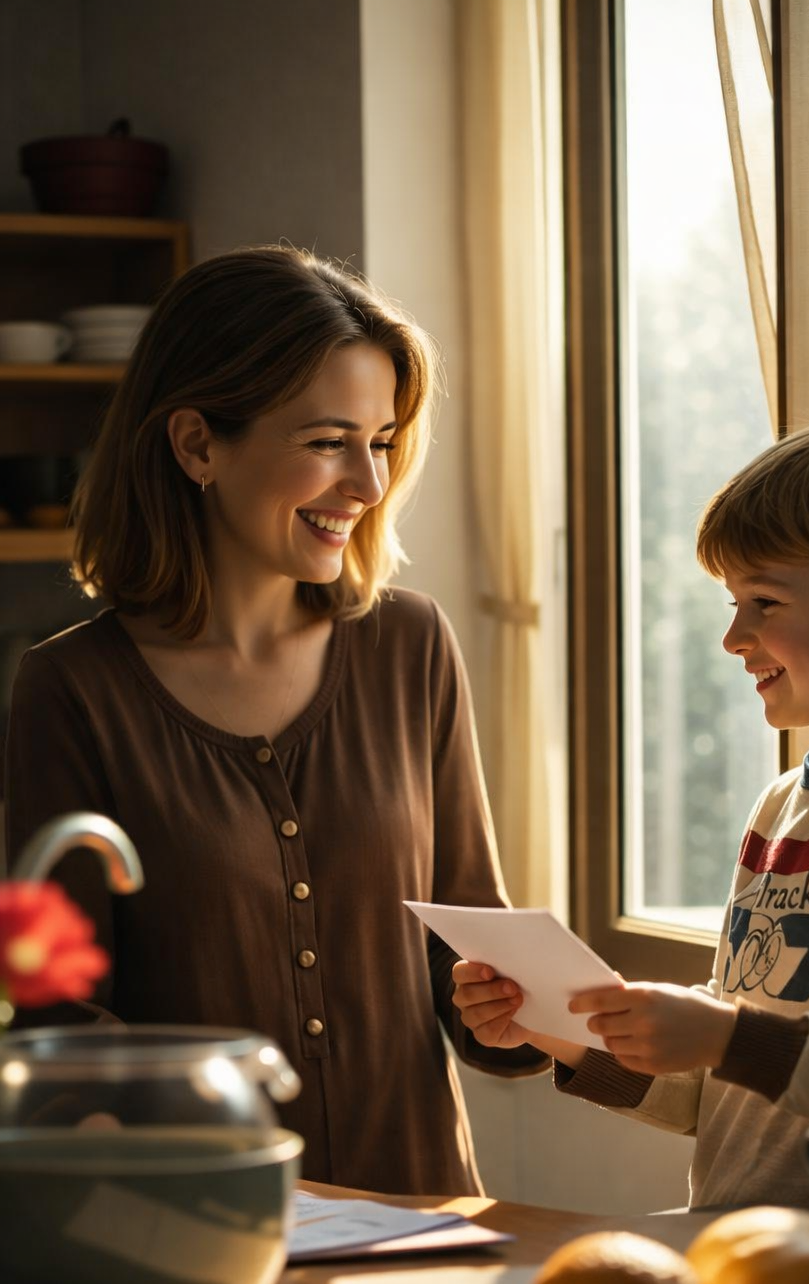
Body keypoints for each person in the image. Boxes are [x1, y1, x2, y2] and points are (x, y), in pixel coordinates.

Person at [4, 244, 547, 1196]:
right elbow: (58, 1020)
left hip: (421, 1224)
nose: (369, 487)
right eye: (328, 442)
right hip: (197, 1233)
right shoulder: (71, 691)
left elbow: (471, 941)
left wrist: (520, 1014)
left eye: (380, 443)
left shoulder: (411, 647)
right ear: (197, 445)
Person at [454, 413, 809, 1210]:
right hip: (748, 1252)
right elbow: (723, 1093)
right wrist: (561, 1034)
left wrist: (726, 1035)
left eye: (763, 602)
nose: (732, 637)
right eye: (733, 603)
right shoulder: (778, 808)